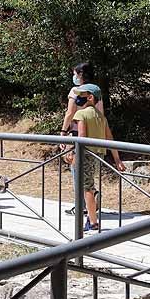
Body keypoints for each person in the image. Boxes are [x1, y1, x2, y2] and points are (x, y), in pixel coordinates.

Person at [68, 86, 125, 232]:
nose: (77, 98)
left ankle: (93, 222)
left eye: (81, 95)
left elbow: (81, 137)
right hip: (98, 155)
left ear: (90, 97)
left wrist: (73, 154)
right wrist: (117, 159)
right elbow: (109, 138)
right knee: (89, 186)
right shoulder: (101, 116)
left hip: (86, 155)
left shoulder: (81, 114)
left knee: (86, 188)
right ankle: (90, 217)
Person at [60, 63, 106, 217]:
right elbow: (101, 114)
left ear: (80, 75)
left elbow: (70, 112)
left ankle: (82, 204)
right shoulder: (96, 91)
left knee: (76, 169)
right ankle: (90, 199)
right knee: (88, 171)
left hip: (77, 134)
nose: (73, 77)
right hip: (95, 136)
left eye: (74, 74)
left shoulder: (76, 91)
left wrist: (63, 132)